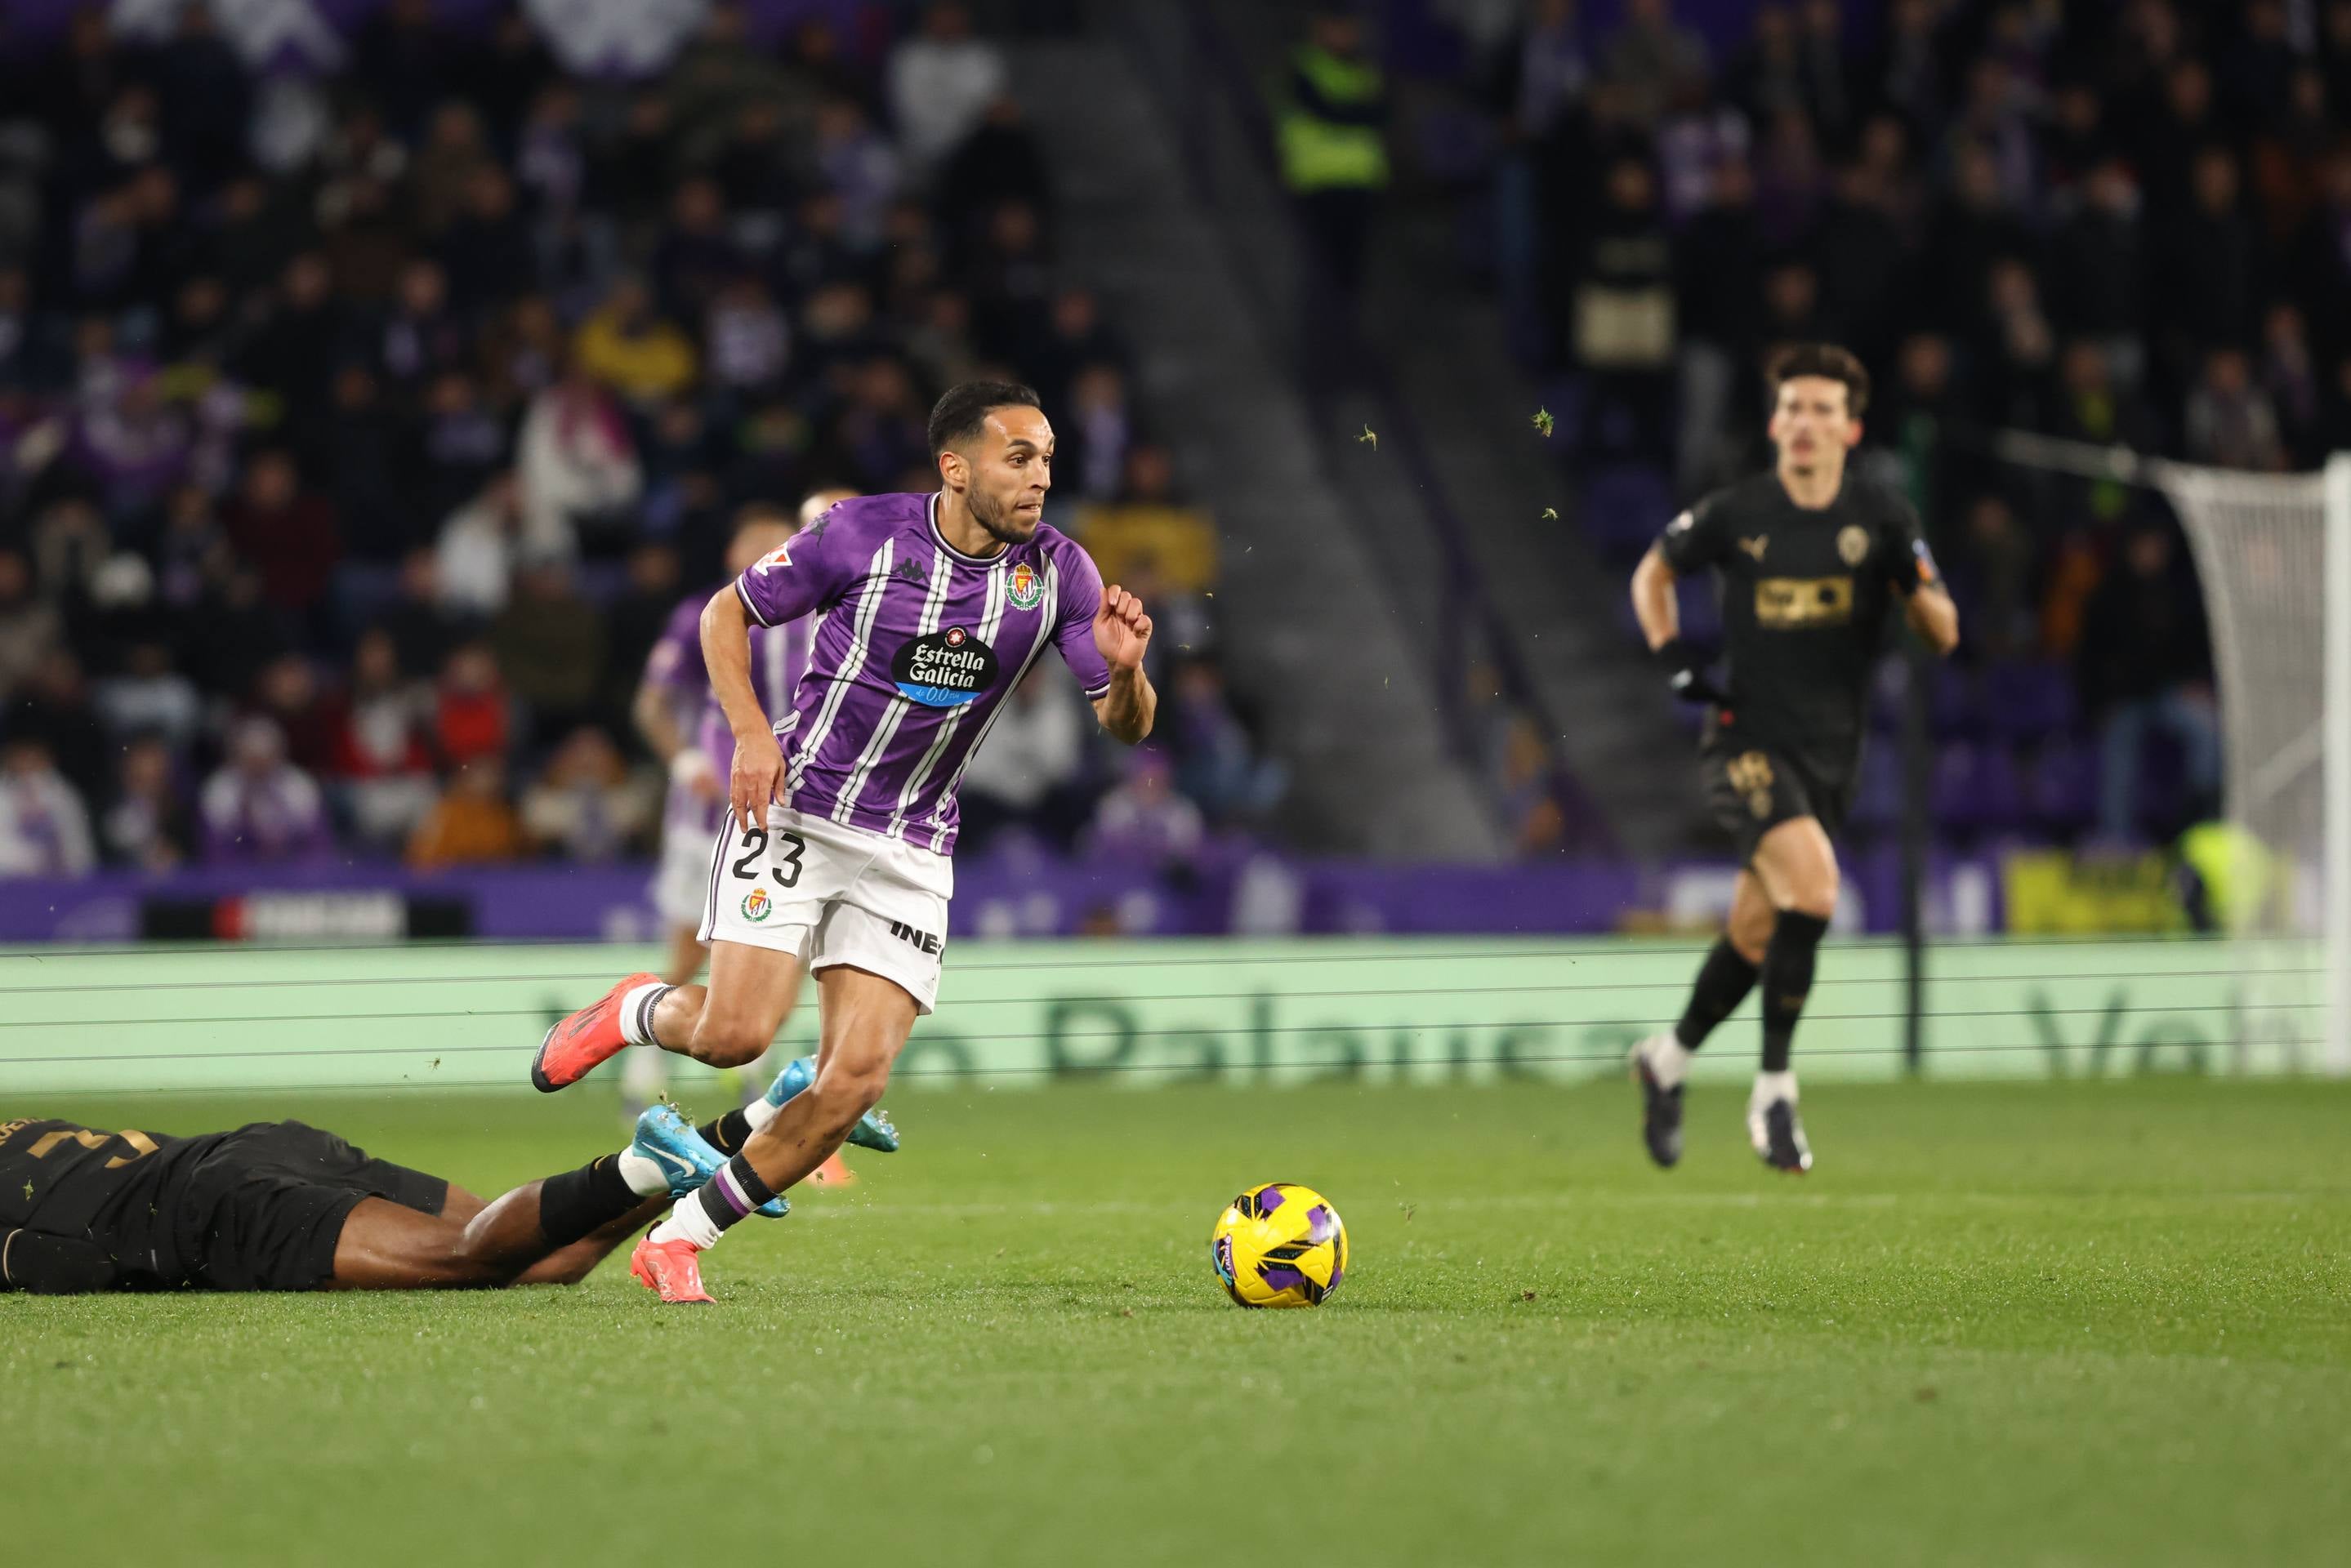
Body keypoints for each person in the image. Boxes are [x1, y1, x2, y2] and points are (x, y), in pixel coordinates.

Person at [528, 381, 1156, 1303]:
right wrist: (747, 732)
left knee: (853, 1080)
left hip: (910, 850)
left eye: (1048, 458)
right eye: (1018, 457)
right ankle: (634, 1010)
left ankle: (680, 1240)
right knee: (733, 1034)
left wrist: (1131, 675)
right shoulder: (865, 534)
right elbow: (722, 615)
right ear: (957, 467)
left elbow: (1124, 726)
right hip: (801, 812)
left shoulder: (1061, 573)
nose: (1040, 478)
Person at [1626, 343, 1959, 1172]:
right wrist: (1672, 656)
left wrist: (1907, 583)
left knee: (1753, 928)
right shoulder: (1737, 513)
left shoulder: (1883, 520)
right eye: (1792, 408)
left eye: (1822, 410)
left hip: (1830, 758)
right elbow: (1651, 574)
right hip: (1745, 740)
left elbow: (1944, 631)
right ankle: (1774, 1092)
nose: (1804, 423)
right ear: (1774, 423)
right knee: (1813, 886)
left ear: (1850, 428)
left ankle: (1666, 1059)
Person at [0, 1058, 893, 1296]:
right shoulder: (22, 1129)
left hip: (209, 1206)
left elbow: (61, 1259)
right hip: (263, 1146)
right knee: (544, 1258)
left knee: (467, 1257)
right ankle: (754, 1123)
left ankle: (640, 1157)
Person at [625, 493, 843, 1124]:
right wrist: (684, 762)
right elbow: (652, 704)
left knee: (795, 946)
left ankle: (754, 1079)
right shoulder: (707, 615)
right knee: (692, 947)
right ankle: (644, 1066)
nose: (774, 559)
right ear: (734, 555)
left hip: (794, 811)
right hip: (707, 812)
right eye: (760, 549)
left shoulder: (820, 622)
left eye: (784, 548)